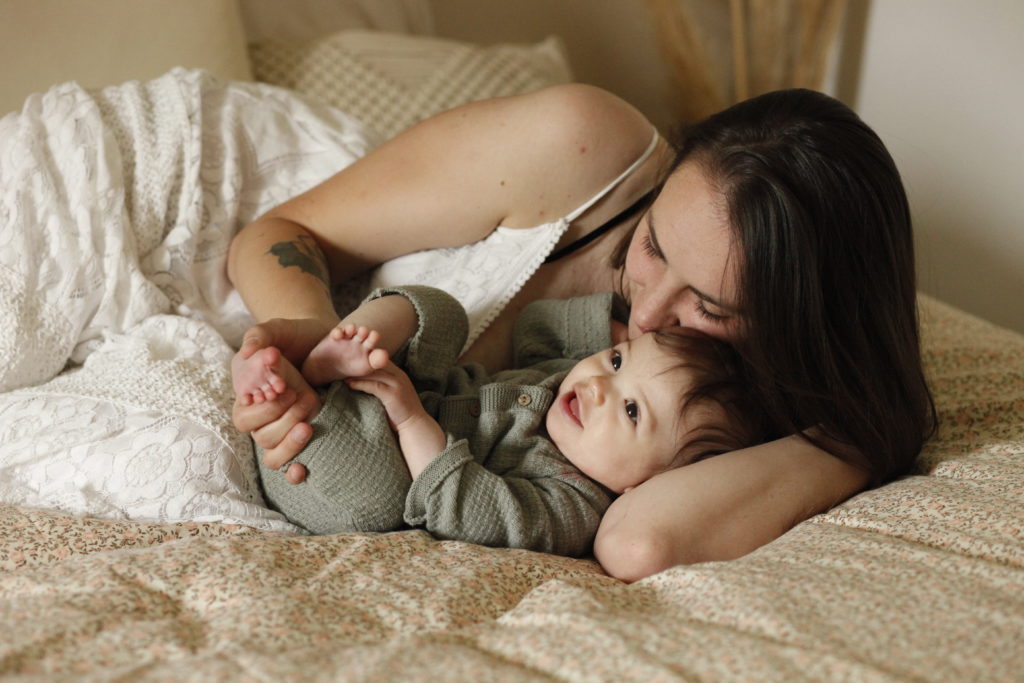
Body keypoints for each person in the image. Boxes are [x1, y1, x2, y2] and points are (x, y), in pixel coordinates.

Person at [227, 84, 936, 580]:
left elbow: (637, 542)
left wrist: (856, 439)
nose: (648, 313)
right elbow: (279, 233)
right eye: (654, 246)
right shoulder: (580, 145)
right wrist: (315, 345)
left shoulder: (727, 416)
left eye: (712, 309)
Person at [238, 285, 771, 556]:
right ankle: (339, 346)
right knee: (441, 311)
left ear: (646, 484)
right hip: (393, 382)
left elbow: (470, 512)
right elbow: (540, 323)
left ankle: (290, 393)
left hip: (371, 473)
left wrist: (408, 419)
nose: (600, 387)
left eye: (632, 410)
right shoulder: (568, 381)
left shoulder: (575, 503)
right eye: (616, 361)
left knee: (373, 500)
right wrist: (614, 335)